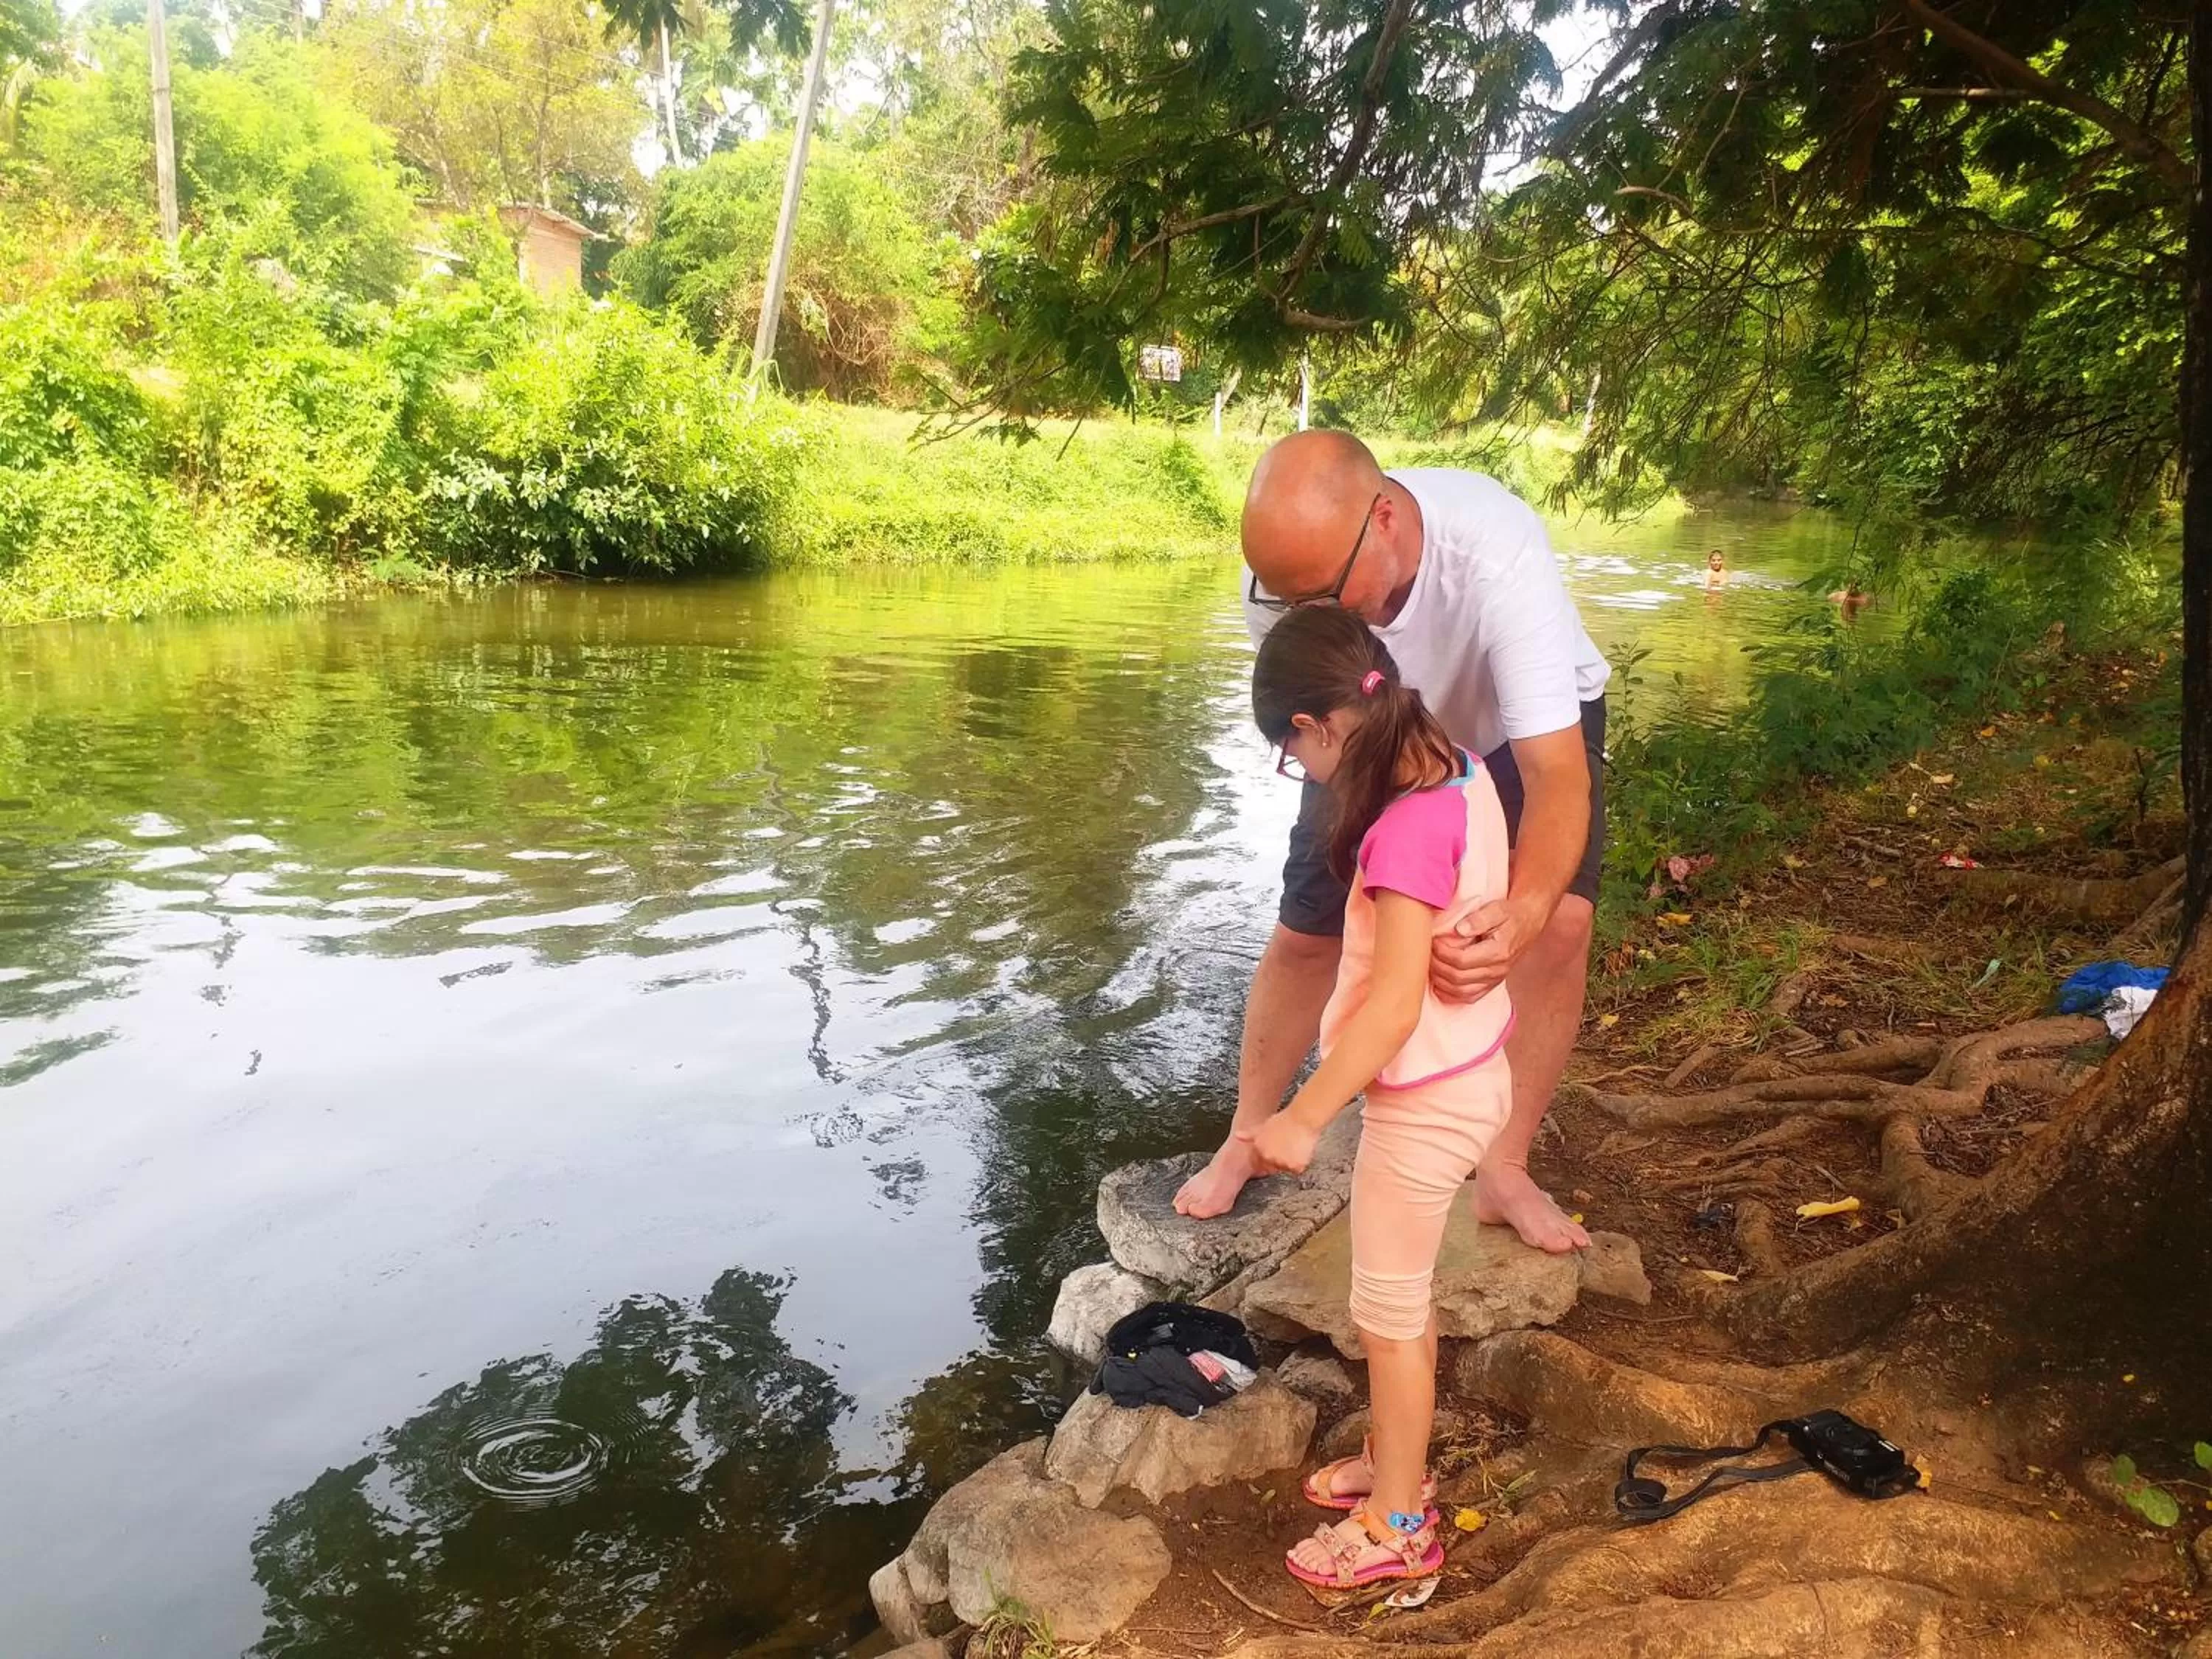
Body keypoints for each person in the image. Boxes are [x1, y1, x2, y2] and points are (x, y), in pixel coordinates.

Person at [1175, 430, 1610, 1254]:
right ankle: (1247, 1137)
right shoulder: (1288, 582)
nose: (1309, 616)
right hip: (1363, 731)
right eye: (1289, 601)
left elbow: (1556, 776)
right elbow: (1313, 717)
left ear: (1383, 519)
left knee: (1557, 926)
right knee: (1311, 930)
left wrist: (1518, 911)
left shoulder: (1495, 552)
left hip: (1518, 735)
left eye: (1325, 597)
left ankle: (1504, 1168)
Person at [1242, 606, 1513, 1592]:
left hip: (1426, 1098)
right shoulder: (1460, 765)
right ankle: (1396, 1462)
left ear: (1316, 726)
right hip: (1475, 1067)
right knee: (1402, 1296)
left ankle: (1400, 1522)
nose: (1301, 775)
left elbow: (1395, 1003)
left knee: (1387, 1311)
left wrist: (1304, 1114)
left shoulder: (1403, 833)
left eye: (1291, 754)